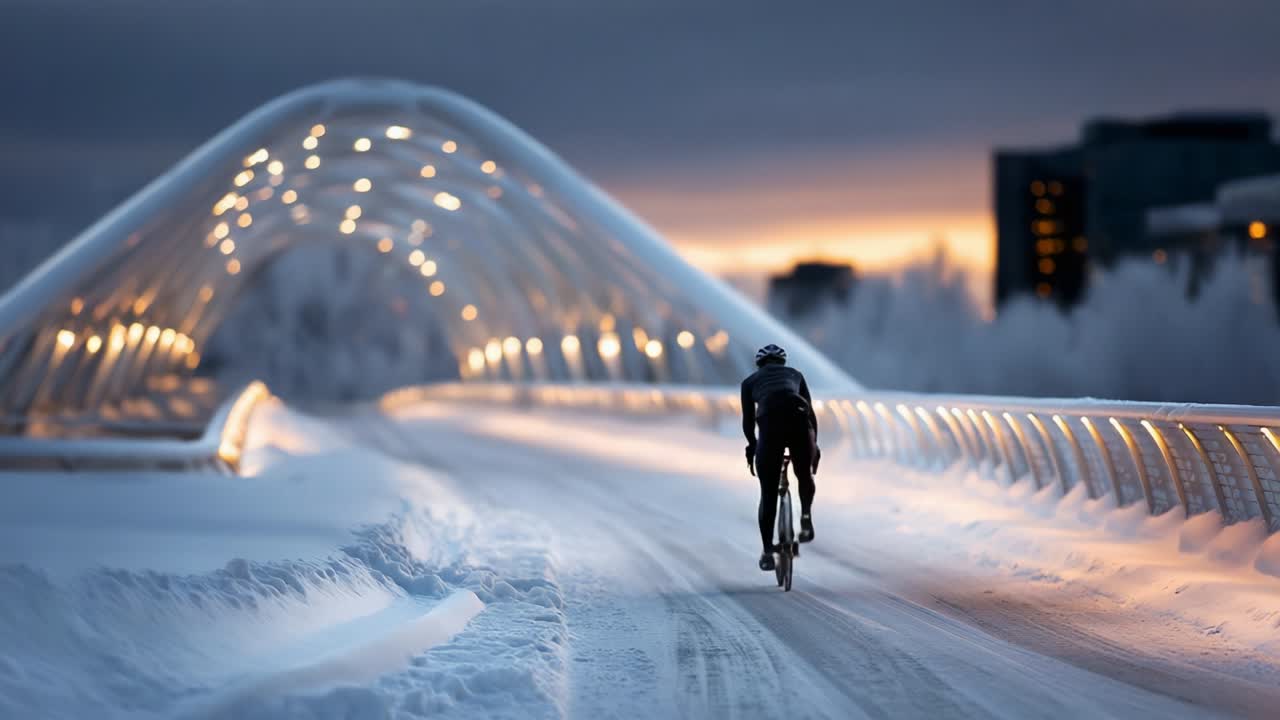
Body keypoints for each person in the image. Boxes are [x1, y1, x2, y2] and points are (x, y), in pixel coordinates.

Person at [741, 343, 820, 572]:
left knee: (768, 493)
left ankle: (767, 552)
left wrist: (753, 446)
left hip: (771, 426)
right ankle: (806, 518)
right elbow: (811, 415)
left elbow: (748, 422)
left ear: (760, 365)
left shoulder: (749, 382)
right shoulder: (796, 375)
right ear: (783, 363)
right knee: (804, 475)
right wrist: (814, 446)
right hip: (799, 423)